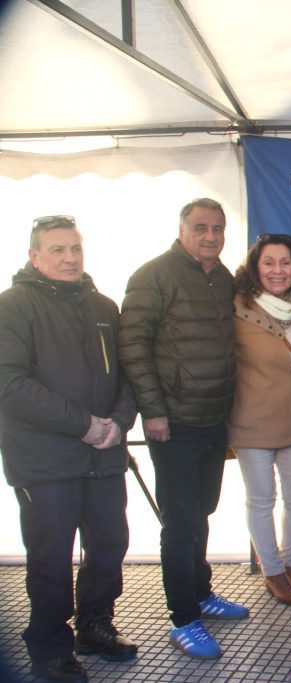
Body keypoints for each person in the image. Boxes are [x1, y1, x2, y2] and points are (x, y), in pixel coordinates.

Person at [0, 216, 138, 683]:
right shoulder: (12, 306)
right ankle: (49, 649)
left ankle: (94, 626)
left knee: (110, 544)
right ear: (34, 256)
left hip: (104, 454)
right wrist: (83, 426)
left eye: (75, 249)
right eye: (57, 250)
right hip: (44, 461)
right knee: (51, 557)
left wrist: (119, 422)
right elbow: (9, 384)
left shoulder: (104, 306)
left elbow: (127, 375)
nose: (69, 258)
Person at [119, 198, 248, 660]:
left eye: (218, 228)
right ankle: (183, 618)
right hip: (172, 422)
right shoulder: (153, 275)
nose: (211, 236)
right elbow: (132, 346)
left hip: (214, 420)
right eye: (200, 227)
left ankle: (200, 592)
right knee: (178, 522)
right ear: (181, 229)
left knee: (202, 512)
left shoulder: (224, 278)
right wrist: (152, 411)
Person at [228, 234, 291, 606]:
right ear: (255, 268)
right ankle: (273, 571)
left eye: (285, 262)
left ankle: (290, 562)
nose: (277, 270)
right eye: (269, 262)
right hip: (251, 419)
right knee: (262, 499)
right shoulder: (236, 306)